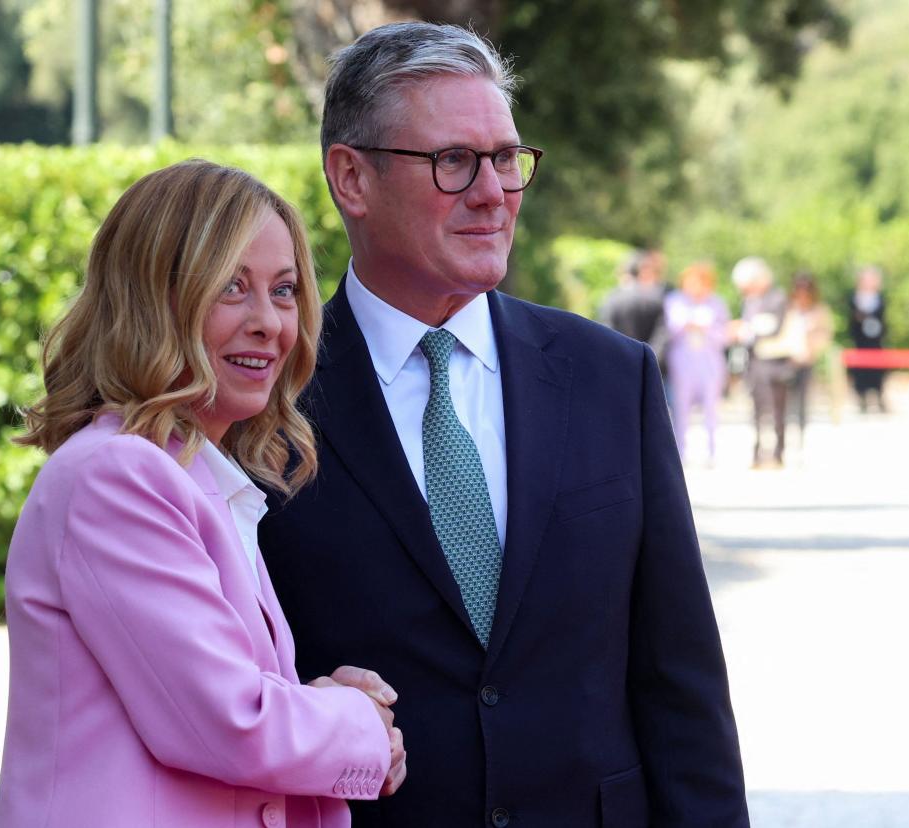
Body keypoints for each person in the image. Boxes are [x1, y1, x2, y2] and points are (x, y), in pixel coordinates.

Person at [257, 22, 748, 827]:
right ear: (351, 178)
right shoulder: (267, 399)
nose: (493, 192)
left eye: (507, 160)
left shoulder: (610, 379)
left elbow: (680, 683)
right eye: (454, 162)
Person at [0, 160, 406, 828]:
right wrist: (356, 722)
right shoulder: (118, 477)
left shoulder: (187, 475)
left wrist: (320, 705)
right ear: (155, 297)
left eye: (284, 291)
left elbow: (215, 696)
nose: (269, 322)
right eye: (231, 288)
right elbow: (226, 723)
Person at [663, 261, 729, 464]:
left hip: (709, 358)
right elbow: (673, 327)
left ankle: (711, 451)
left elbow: (724, 333)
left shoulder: (716, 302)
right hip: (683, 358)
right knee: (681, 407)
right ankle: (680, 451)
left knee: (711, 406)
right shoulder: (675, 300)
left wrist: (705, 328)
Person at [731, 256, 792, 468]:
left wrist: (746, 330)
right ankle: (757, 453)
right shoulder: (748, 301)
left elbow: (772, 328)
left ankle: (778, 453)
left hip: (774, 363)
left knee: (776, 411)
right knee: (756, 410)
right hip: (753, 362)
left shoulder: (777, 298)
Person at [784, 271, 834, 448]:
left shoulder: (819, 311)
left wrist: (812, 347)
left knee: (802, 403)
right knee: (784, 403)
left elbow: (825, 335)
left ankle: (800, 440)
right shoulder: (789, 309)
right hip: (786, 361)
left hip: (807, 360)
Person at [599, 247, 668, 347]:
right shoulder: (655, 298)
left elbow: (606, 328)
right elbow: (661, 334)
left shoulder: (612, 298)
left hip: (619, 354)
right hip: (646, 356)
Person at [849, 264, 888, 412]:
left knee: (877, 371)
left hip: (876, 341)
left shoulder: (880, 297)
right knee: (861, 371)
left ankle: (878, 397)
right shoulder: (854, 297)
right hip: (860, 341)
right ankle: (862, 397)